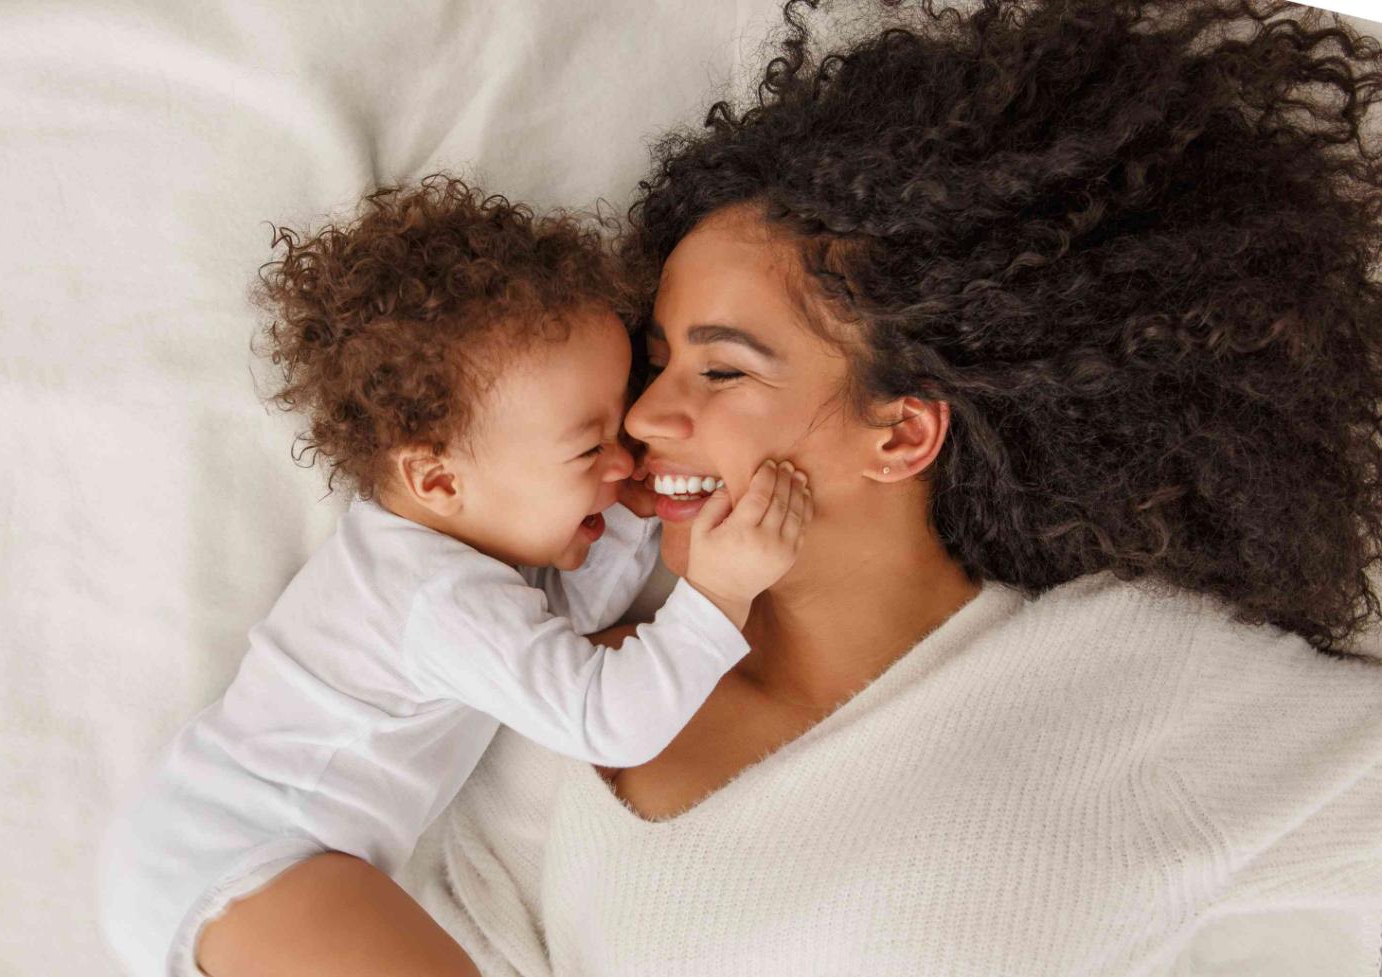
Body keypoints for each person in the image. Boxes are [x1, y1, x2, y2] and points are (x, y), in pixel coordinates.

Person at [386, 1, 1382, 974]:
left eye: (720, 370)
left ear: (900, 430)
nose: (645, 419)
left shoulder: (1126, 680)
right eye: (655, 366)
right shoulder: (570, 676)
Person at [96, 177, 814, 977]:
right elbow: (603, 713)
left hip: (221, 850)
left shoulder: (447, 554)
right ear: (437, 479)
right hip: (246, 854)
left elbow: (565, 623)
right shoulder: (435, 595)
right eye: (590, 450)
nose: (626, 460)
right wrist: (718, 595)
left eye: (619, 429)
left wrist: (628, 512)